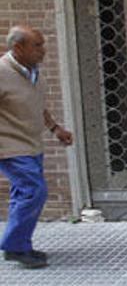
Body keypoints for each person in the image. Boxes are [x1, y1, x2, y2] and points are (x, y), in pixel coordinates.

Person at [0, 26, 73, 269]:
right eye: (37, 46)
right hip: (9, 146)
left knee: (23, 193)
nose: (43, 51)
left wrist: (56, 129)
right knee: (34, 190)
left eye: (42, 44)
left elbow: (38, 106)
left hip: (31, 144)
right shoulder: (2, 72)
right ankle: (13, 246)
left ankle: (22, 245)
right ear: (17, 47)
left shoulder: (33, 73)